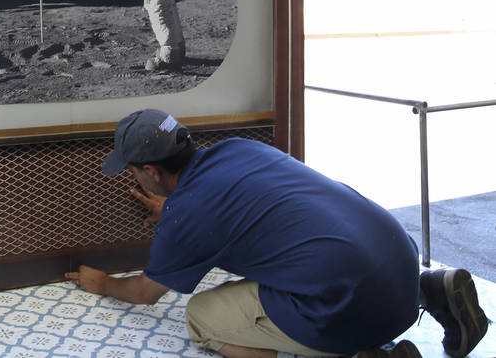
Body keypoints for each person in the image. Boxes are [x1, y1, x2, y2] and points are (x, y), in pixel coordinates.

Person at [65, 109, 490, 358]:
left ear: (151, 172)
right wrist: (177, 211)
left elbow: (145, 292)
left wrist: (103, 284)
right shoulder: (238, 148)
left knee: (201, 317)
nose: (136, 175)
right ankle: (432, 289)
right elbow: (253, 206)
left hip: (356, 308)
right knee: (317, 258)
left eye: (135, 169)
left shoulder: (189, 213)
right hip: (399, 258)